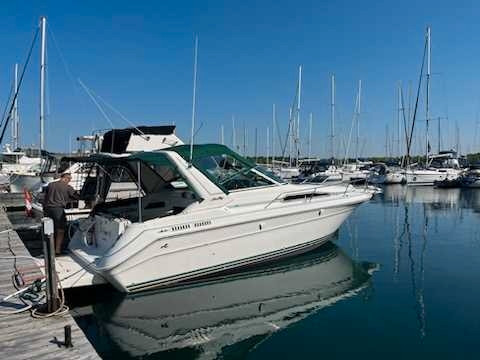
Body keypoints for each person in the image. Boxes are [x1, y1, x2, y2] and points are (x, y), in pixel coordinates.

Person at [43, 173, 80, 255]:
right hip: (58, 209)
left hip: (47, 209)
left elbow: (46, 196)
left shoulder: (51, 184)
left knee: (49, 229)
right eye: (69, 180)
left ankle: (49, 248)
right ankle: (57, 250)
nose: (69, 182)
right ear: (66, 178)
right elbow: (77, 196)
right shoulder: (67, 187)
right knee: (61, 230)